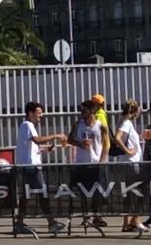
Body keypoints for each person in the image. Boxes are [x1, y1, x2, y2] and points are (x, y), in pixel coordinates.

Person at [14, 101, 68, 236]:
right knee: (42, 193)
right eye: (38, 113)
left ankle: (19, 223)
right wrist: (56, 136)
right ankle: (51, 222)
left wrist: (45, 149)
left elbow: (31, 147)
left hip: (27, 166)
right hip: (31, 167)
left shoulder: (25, 126)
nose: (41, 116)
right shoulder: (28, 125)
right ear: (30, 113)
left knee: (26, 196)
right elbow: (37, 140)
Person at [66, 99, 109, 229]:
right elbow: (69, 139)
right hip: (81, 163)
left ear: (92, 111)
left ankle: (96, 215)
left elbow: (106, 144)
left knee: (97, 191)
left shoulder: (101, 126)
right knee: (83, 191)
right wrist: (80, 144)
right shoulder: (77, 124)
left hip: (95, 163)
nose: (81, 113)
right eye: (81, 110)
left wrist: (101, 161)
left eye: (84, 111)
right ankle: (86, 216)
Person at [111, 99, 146, 232]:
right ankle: (135, 220)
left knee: (130, 192)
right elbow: (117, 138)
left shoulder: (125, 122)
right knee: (140, 191)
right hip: (130, 162)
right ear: (134, 111)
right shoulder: (126, 123)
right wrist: (128, 151)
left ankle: (127, 222)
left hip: (129, 162)